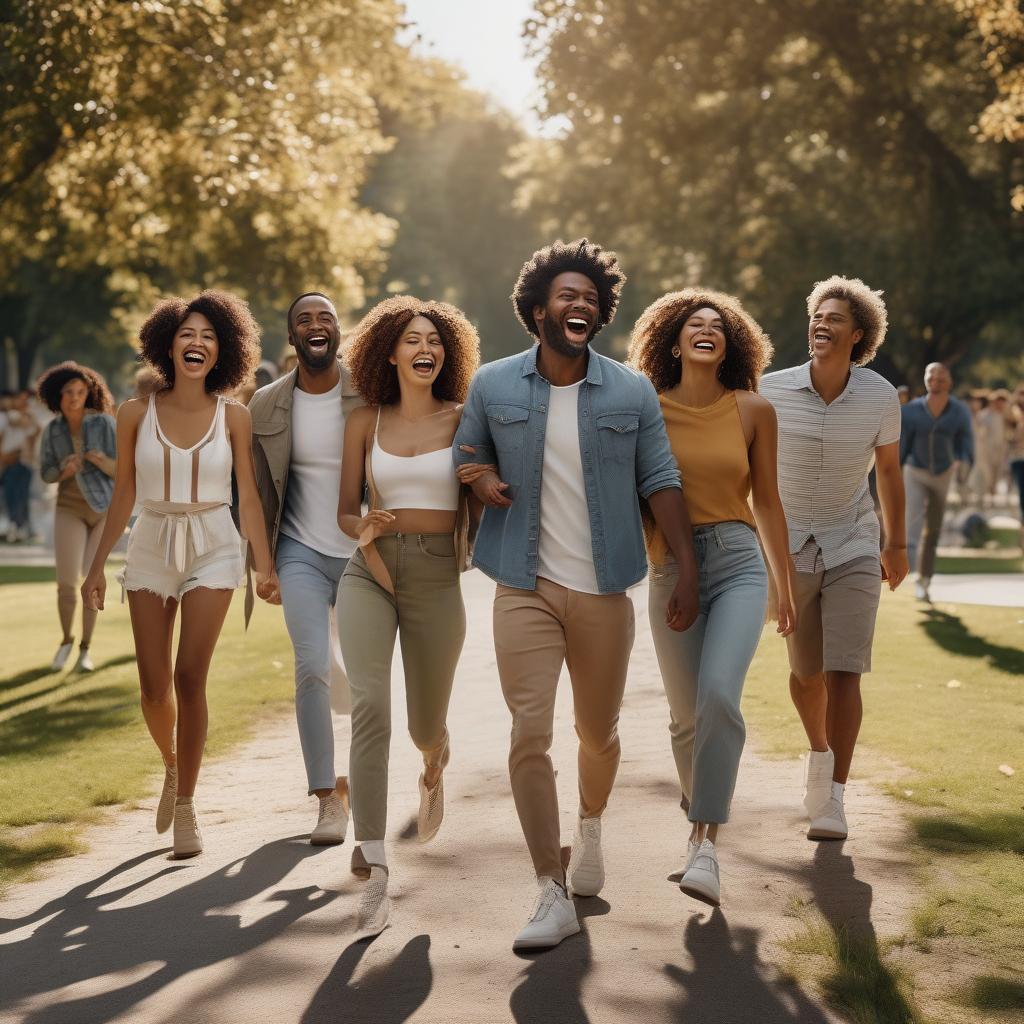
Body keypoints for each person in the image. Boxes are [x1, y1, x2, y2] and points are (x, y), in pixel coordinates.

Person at [453, 239, 699, 951]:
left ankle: (589, 824)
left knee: (598, 732)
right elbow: (467, 450)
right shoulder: (494, 384)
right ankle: (547, 888)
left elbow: (661, 479)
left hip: (603, 590)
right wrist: (481, 478)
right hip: (522, 586)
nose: (580, 304)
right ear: (537, 310)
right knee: (529, 731)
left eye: (590, 298)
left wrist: (686, 566)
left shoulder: (629, 390)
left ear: (602, 312)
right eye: (567, 295)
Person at [81, 291, 278, 858]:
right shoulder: (133, 413)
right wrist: (96, 569)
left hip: (214, 543)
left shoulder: (233, 416)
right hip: (150, 544)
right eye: (187, 334)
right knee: (152, 685)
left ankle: (188, 806)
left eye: (209, 335)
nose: (198, 343)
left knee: (191, 678)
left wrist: (263, 567)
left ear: (224, 350)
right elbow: (123, 495)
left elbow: (248, 499)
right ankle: (171, 763)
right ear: (168, 344)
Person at [627, 289, 795, 907]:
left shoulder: (753, 410)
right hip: (672, 568)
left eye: (718, 326)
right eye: (695, 324)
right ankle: (699, 815)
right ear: (673, 340)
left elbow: (768, 502)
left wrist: (785, 582)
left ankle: (706, 845)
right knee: (687, 717)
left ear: (732, 344)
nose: (707, 330)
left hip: (739, 564)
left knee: (720, 695)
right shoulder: (648, 409)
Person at [335, 296, 480, 938]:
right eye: (412, 339)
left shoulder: (463, 418)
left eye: (436, 341)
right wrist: (360, 526)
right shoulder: (364, 420)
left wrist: (487, 483)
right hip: (370, 569)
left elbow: (489, 486)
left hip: (435, 576)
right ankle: (372, 860)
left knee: (423, 723)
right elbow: (345, 508)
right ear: (388, 351)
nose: (427, 349)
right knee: (371, 705)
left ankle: (434, 757)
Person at [760, 276, 907, 842]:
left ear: (859, 334)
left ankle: (836, 797)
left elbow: (889, 472)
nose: (821, 324)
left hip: (853, 544)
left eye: (835, 318)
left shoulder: (879, 396)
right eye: (817, 316)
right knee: (806, 674)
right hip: (791, 547)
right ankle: (818, 754)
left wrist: (895, 544)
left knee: (847, 670)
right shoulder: (770, 390)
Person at [249, 292, 363, 850]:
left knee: (368, 679)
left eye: (325, 318)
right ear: (291, 336)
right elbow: (254, 494)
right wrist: (261, 563)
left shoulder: (369, 393)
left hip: (365, 555)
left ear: (339, 331)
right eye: (304, 320)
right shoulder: (265, 406)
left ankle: (369, 779)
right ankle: (326, 799)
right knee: (312, 666)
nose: (316, 326)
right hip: (299, 552)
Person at [37, 362, 118, 672]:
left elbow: (124, 470)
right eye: (68, 392)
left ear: (89, 394)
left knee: (92, 580)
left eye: (80, 392)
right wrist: (62, 471)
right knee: (65, 583)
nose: (74, 398)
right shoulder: (53, 429)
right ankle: (66, 640)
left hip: (102, 510)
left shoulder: (104, 424)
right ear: (57, 395)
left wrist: (102, 461)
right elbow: (46, 473)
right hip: (68, 508)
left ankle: (85, 649)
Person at [899, 363, 974, 601]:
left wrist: (962, 462)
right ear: (926, 379)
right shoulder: (911, 410)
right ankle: (909, 576)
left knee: (933, 530)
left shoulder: (959, 411)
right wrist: (893, 477)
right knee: (913, 527)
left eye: (941, 378)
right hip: (915, 471)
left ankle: (925, 578)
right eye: (932, 377)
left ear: (949, 382)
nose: (936, 381)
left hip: (943, 473)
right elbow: (902, 446)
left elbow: (966, 441)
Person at [0, 389, 41, 542]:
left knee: (21, 497)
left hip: (24, 463)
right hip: (10, 463)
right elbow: (15, 423)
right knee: (11, 497)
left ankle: (20, 528)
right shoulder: (10, 416)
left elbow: (34, 434)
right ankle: (13, 527)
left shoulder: (30, 416)